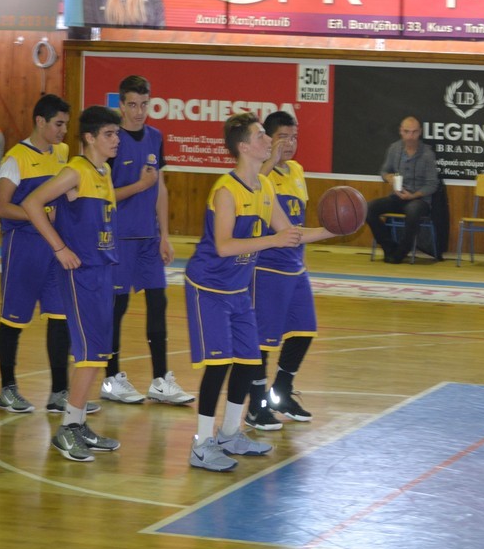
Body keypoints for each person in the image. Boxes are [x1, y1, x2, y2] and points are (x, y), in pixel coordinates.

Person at [185, 113, 335, 472]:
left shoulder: (264, 187)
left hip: (238, 289)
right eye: (261, 135)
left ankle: (230, 433)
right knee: (218, 367)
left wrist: (334, 229)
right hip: (209, 287)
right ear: (244, 147)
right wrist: (272, 240)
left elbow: (291, 233)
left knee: (248, 361)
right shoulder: (226, 190)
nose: (269, 140)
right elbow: (223, 246)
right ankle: (202, 445)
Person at [21, 105, 123, 462]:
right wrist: (60, 247)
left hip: (103, 270)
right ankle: (66, 430)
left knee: (98, 355)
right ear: (90, 138)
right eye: (109, 134)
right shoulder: (75, 171)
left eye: (117, 134)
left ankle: (77, 424)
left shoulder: (104, 171)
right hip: (81, 273)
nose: (116, 139)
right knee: (89, 355)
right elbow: (32, 203)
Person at [0, 94, 99, 416]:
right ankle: (7, 389)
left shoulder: (63, 153)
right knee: (13, 319)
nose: (64, 131)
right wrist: (41, 215)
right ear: (40, 121)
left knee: (60, 318)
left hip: (55, 248)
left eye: (66, 124)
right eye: (58, 124)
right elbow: (1, 207)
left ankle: (58, 392)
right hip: (24, 247)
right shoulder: (15, 159)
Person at [101, 75, 192, 406]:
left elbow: (160, 188)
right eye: (133, 105)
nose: (139, 112)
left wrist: (164, 235)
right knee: (118, 307)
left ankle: (161, 380)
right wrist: (139, 186)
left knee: (158, 302)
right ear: (122, 105)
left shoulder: (155, 137)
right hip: (118, 237)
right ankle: (111, 379)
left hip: (148, 238)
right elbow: (103, 194)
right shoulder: (111, 139)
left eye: (144, 104)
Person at [246, 111, 316, 431]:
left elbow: (298, 221)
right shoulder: (259, 171)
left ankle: (281, 392)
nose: (290, 143)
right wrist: (270, 161)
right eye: (282, 137)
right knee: (262, 341)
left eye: (294, 137)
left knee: (304, 331)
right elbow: (252, 191)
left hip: (295, 265)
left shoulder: (297, 170)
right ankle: (255, 406)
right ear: (267, 140)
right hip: (266, 266)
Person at [366, 116, 439, 264]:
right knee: (368, 208)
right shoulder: (394, 149)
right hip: (397, 197)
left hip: (419, 200)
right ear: (401, 131)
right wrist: (389, 177)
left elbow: (432, 184)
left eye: (414, 132)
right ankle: (388, 246)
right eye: (407, 132)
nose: (410, 136)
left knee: (413, 211)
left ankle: (401, 251)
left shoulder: (427, 154)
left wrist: (413, 195)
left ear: (420, 132)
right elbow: (384, 171)